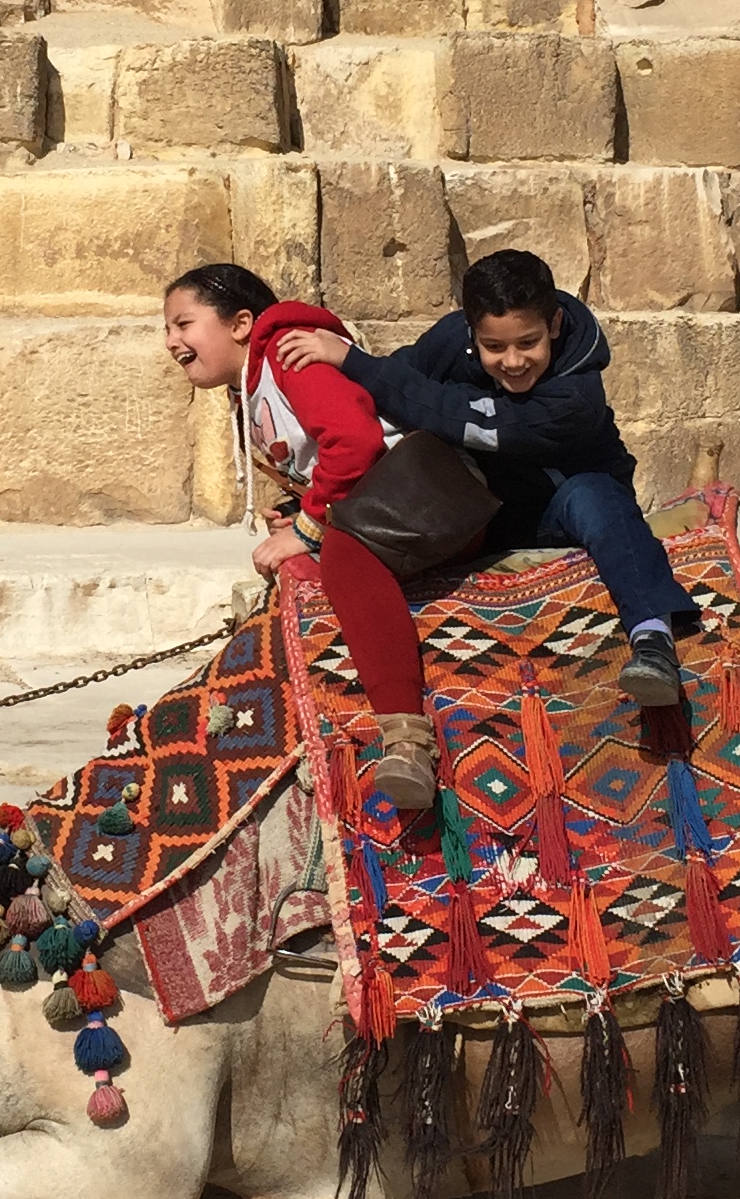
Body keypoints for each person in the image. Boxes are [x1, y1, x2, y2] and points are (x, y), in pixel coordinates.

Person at [275, 247, 698, 709]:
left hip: (560, 507)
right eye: (494, 347)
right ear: (472, 332)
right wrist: (310, 504)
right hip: (476, 508)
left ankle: (652, 638)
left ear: (554, 326)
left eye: (528, 342)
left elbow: (467, 418)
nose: (513, 362)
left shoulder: (577, 395)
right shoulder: (452, 341)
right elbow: (394, 396)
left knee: (598, 498)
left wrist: (357, 362)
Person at [160, 262, 440, 813]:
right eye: (169, 329)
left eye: (183, 324)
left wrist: (310, 528)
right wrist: (299, 511)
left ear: (241, 323)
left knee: (342, 557)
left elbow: (356, 445)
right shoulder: (249, 385)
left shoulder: (290, 353)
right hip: (379, 502)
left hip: (423, 496)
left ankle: (406, 736)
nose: (171, 342)